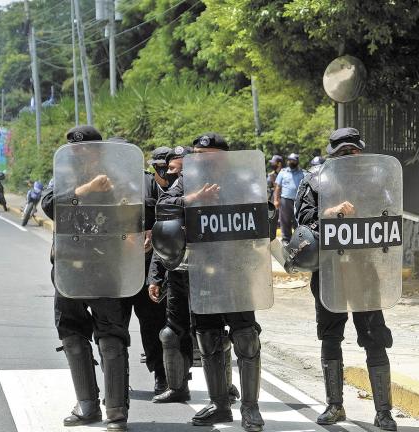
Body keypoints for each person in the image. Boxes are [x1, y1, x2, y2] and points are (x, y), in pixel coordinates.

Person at [153, 133, 265, 431]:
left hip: (235, 269)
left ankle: (251, 409)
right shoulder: (186, 180)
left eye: (211, 155)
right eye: (199, 154)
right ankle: (219, 405)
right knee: (208, 335)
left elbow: (263, 215)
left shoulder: (243, 178)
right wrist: (194, 199)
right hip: (200, 269)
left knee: (245, 336)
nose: (203, 160)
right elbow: (163, 207)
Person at [295, 127, 397, 431]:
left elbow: (389, 212)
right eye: (343, 152)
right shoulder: (314, 180)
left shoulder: (376, 180)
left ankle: (384, 412)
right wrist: (330, 211)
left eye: (354, 151)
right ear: (332, 154)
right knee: (330, 335)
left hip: (364, 267)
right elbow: (303, 222)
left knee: (374, 336)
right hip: (329, 269)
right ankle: (334, 405)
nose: (350, 156)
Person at [41, 125, 136, 431]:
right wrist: (85, 190)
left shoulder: (117, 178)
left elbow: (133, 211)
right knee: (71, 333)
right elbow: (49, 205)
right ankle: (87, 406)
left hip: (105, 265)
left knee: (111, 337)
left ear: (99, 150)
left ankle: (117, 412)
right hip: (69, 266)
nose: (80, 153)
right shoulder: (63, 176)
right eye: (75, 149)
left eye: (86, 148)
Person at [120, 146, 171, 394]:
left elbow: (167, 215)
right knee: (113, 329)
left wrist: (153, 233)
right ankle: (117, 378)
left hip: (145, 267)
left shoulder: (150, 184)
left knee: (153, 324)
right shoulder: (102, 186)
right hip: (115, 271)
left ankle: (161, 375)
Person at [274, 153, 305, 244]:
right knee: (285, 221)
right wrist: (276, 200)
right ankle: (286, 240)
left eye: (294, 160)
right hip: (285, 200)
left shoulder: (303, 173)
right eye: (290, 160)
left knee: (298, 221)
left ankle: (298, 241)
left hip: (299, 201)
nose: (291, 162)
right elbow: (278, 187)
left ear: (297, 161)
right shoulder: (283, 172)